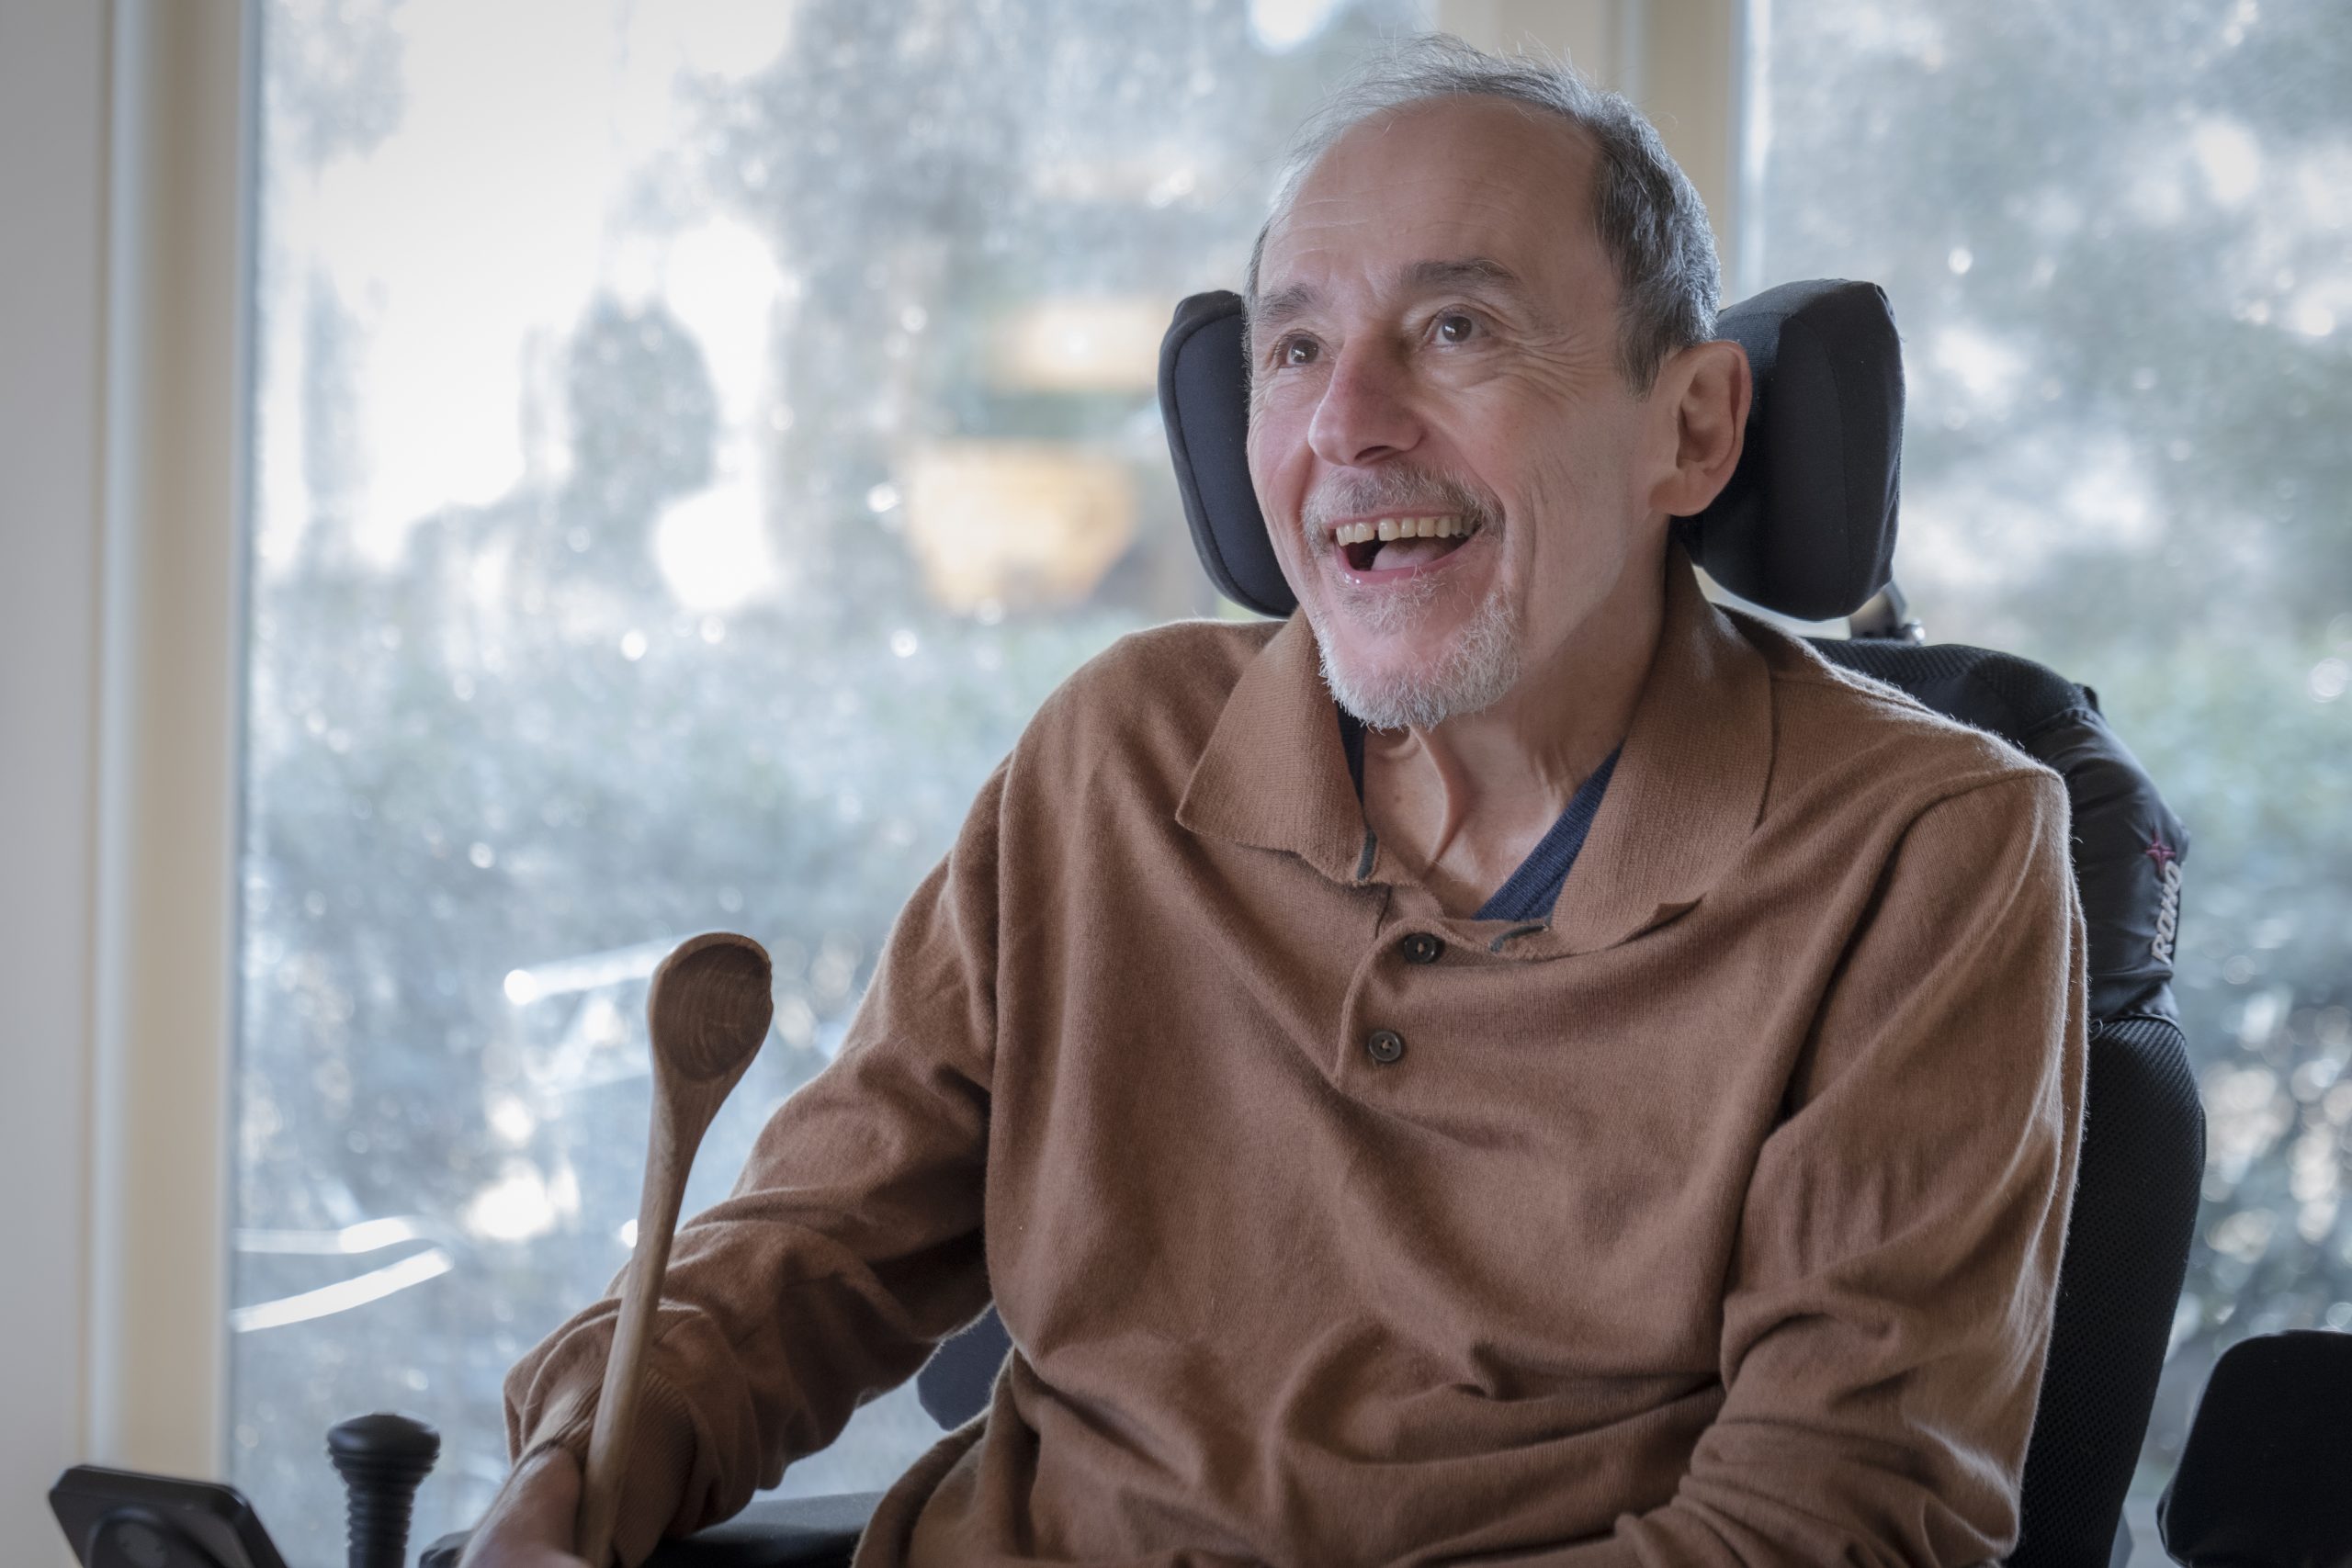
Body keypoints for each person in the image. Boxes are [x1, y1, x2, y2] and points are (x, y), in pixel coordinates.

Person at [463, 36, 2084, 1568]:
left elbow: (1826, 1523)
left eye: (1457, 330)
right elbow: (809, 1256)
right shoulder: (1119, 752)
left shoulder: (1929, 851)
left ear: (1695, 425)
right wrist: (586, 1457)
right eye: (1295, 349)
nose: (1344, 426)